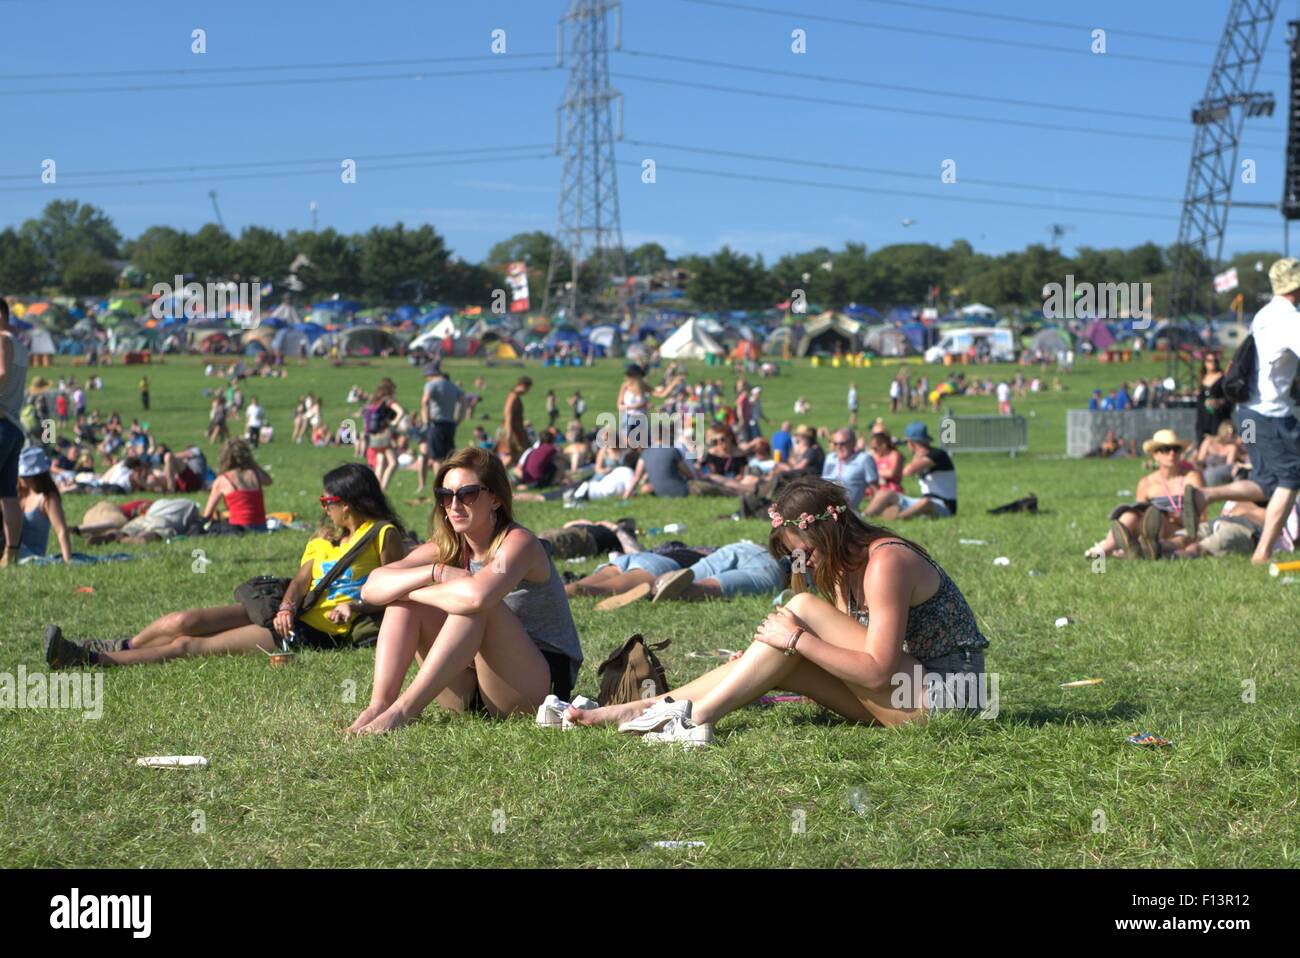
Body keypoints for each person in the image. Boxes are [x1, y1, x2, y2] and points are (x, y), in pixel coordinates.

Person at [563, 478, 991, 745]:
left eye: (803, 552)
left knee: (800, 609)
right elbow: (853, 658)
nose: (804, 563)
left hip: (947, 698)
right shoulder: (843, 566)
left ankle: (695, 720)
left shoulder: (886, 562)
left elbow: (877, 671)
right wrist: (763, 658)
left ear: (826, 530)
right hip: (906, 697)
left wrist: (795, 640)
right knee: (781, 651)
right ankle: (644, 709)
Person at [43, 464, 408, 668]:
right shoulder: (324, 535)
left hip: (316, 633)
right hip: (287, 612)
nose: (323, 505)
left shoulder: (381, 535)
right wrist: (286, 604)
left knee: (188, 645)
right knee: (184, 620)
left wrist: (356, 606)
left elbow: (395, 591)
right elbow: (301, 578)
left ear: (351, 501)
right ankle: (124, 644)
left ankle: (90, 659)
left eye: (329, 499)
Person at [345, 446, 584, 734]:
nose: (454, 505)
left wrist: (411, 590)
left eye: (467, 494)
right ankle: (379, 705)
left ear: (495, 498)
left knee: (475, 605)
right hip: (472, 688)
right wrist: (436, 572)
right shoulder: (449, 545)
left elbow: (478, 596)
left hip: (537, 690)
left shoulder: (518, 543)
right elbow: (372, 587)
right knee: (403, 605)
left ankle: (402, 712)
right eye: (445, 497)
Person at [1222, 258, 1300, 563]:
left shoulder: (1264, 314)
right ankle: (1263, 552)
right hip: (1272, 414)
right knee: (1291, 478)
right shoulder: (1291, 320)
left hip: (1248, 413)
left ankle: (1206, 495)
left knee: (1267, 479)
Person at [1084, 429, 1205, 560]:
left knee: (1156, 517)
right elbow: (1140, 513)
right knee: (1131, 515)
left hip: (1180, 530)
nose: (1171, 453)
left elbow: (1202, 519)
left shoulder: (1191, 477)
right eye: (1165, 449)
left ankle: (1125, 550)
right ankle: (1106, 549)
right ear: (1155, 455)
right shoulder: (1146, 483)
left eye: (1176, 449)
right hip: (1150, 530)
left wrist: (1178, 517)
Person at [862, 422, 957, 520]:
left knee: (925, 502)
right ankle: (863, 516)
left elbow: (908, 471)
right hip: (922, 501)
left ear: (911, 443)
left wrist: (918, 454)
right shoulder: (925, 456)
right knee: (885, 493)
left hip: (944, 506)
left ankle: (899, 517)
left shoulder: (938, 454)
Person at [0, 298, 30, 568]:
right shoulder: (21, 345)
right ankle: (11, 553)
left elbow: (1, 372)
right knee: (8, 494)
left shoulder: (2, 339)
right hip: (13, 425)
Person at [15, 447, 73, 563]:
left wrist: (68, 560)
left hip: (31, 555)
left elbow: (61, 530)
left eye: (25, 475)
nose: (20, 477)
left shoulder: (47, 498)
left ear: (36, 476)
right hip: (13, 549)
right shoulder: (21, 494)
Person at [201, 438, 272, 532]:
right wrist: (253, 464)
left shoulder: (223, 480)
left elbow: (207, 515)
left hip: (239, 528)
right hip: (261, 527)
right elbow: (269, 481)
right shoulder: (256, 474)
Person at [417, 361, 464, 497]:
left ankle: (440, 487)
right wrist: (458, 419)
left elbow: (425, 401)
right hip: (450, 424)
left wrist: (426, 419)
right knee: (448, 457)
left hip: (435, 424)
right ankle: (449, 484)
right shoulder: (453, 386)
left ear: (430, 374)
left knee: (437, 458)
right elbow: (463, 401)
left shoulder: (431, 385)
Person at [362, 378, 407, 491]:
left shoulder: (375, 400)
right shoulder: (388, 401)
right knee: (393, 463)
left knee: (380, 463)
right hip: (384, 435)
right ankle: (383, 488)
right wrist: (394, 423)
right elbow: (401, 412)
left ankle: (376, 489)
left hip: (374, 435)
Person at [822, 428, 878, 509]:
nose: (838, 447)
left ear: (853, 443)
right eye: (835, 444)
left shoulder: (864, 459)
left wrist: (871, 509)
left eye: (842, 444)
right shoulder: (830, 458)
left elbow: (875, 488)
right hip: (825, 504)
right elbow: (823, 483)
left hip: (848, 508)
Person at [1197, 353, 1230, 439]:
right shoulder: (1202, 378)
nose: (1212, 363)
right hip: (1203, 419)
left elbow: (1229, 399)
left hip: (1218, 418)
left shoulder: (1222, 378)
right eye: (1209, 361)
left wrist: (1218, 402)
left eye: (1214, 361)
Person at [503, 376, 532, 458]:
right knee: (515, 455)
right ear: (523, 386)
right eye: (528, 389)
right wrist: (509, 433)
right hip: (514, 431)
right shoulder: (513, 396)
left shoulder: (514, 396)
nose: (527, 391)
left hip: (517, 429)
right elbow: (508, 414)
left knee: (520, 454)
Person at [869, 429, 904, 495]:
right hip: (878, 489)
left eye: (875, 448)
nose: (874, 451)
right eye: (872, 448)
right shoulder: (876, 456)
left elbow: (891, 473)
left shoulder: (894, 455)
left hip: (893, 490)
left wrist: (873, 472)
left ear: (884, 445)